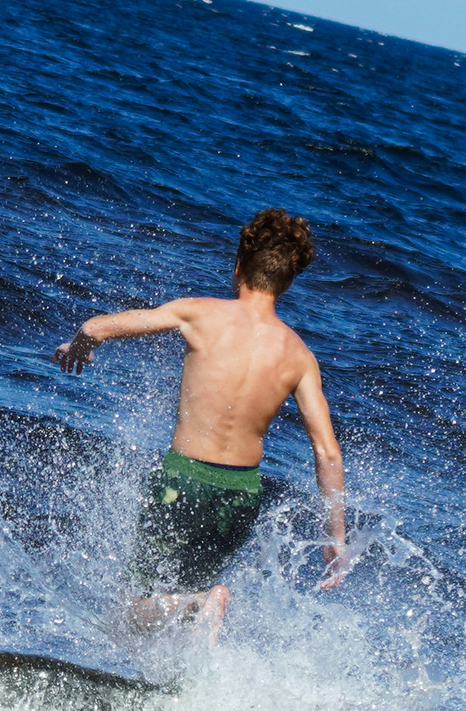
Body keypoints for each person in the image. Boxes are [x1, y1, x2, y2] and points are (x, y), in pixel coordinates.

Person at [52, 209, 347, 637]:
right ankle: (189, 632)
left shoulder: (199, 314)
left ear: (239, 266)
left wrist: (78, 346)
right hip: (240, 495)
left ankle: (194, 604)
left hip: (183, 480)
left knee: (129, 614)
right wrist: (334, 537)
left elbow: (98, 327)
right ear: (288, 281)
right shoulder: (299, 356)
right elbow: (327, 452)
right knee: (178, 620)